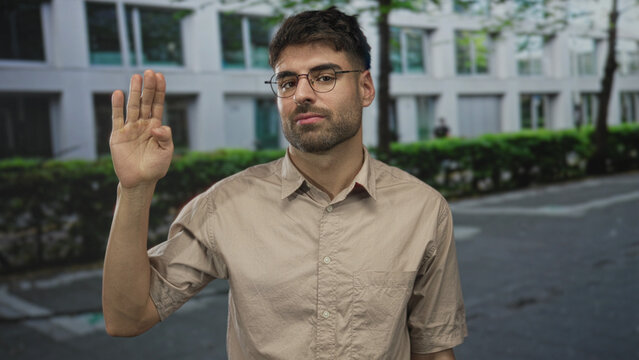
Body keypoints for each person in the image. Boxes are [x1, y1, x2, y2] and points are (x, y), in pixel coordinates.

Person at [102, 7, 467, 360]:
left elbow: (433, 350)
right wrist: (134, 189)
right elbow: (127, 318)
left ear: (366, 87)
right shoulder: (227, 204)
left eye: (325, 76)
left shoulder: (423, 209)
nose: (302, 94)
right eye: (288, 81)